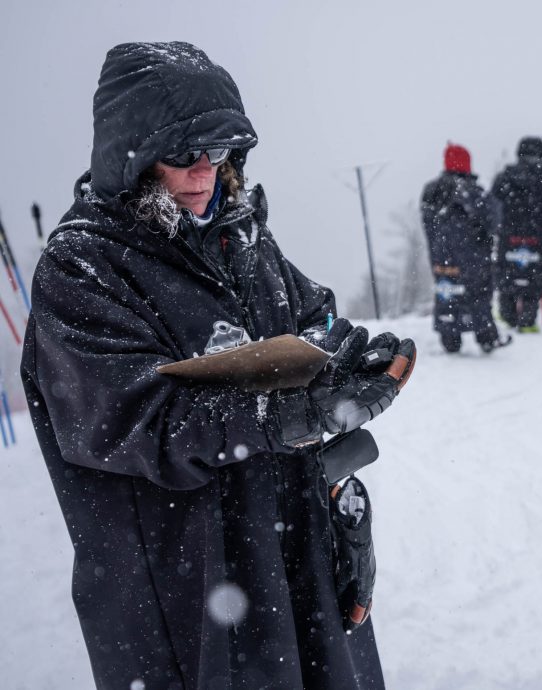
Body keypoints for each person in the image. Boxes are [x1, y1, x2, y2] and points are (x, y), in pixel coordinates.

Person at [21, 42, 415, 690]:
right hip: (190, 586)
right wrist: (282, 408)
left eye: (220, 150)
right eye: (183, 155)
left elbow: (313, 315)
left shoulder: (240, 235)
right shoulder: (83, 269)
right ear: (131, 153)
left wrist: (345, 358)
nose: (205, 173)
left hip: (291, 548)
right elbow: (138, 419)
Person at [421, 142, 504, 353]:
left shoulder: (431, 191)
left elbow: (428, 224)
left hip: (441, 259)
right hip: (474, 259)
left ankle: (450, 337)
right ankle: (486, 337)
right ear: (467, 165)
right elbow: (494, 221)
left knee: (446, 295)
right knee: (479, 295)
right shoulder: (475, 193)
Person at [491, 136, 542, 333]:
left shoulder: (505, 177)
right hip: (538, 237)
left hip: (509, 236)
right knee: (534, 277)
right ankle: (528, 318)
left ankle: (507, 314)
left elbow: (492, 203)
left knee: (508, 275)